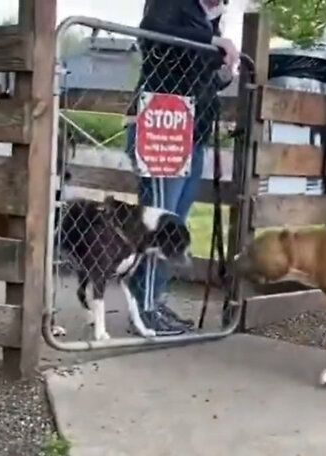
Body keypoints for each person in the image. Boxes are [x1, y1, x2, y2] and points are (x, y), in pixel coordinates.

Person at [123, 0, 239, 336]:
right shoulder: (171, 4)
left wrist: (223, 74)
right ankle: (142, 308)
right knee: (159, 221)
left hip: (192, 131)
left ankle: (152, 301)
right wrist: (214, 43)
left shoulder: (208, 17)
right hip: (162, 127)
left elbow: (198, 75)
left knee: (174, 223)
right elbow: (153, 34)